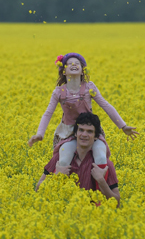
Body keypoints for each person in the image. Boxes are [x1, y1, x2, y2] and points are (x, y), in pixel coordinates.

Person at [28, 53, 138, 185]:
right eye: (69, 63)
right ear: (64, 71)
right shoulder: (59, 92)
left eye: (77, 63)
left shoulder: (89, 88)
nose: (73, 65)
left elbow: (105, 105)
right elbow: (48, 113)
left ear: (82, 71)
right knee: (63, 160)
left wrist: (123, 126)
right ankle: (60, 189)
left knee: (101, 156)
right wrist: (40, 134)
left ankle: (100, 191)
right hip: (69, 133)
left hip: (90, 132)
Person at [35, 113, 121, 207]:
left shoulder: (105, 165)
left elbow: (117, 203)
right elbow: (37, 189)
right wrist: (56, 176)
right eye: (81, 130)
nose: (84, 134)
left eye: (89, 131)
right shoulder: (60, 158)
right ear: (75, 133)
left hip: (91, 214)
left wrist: (101, 180)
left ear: (96, 136)